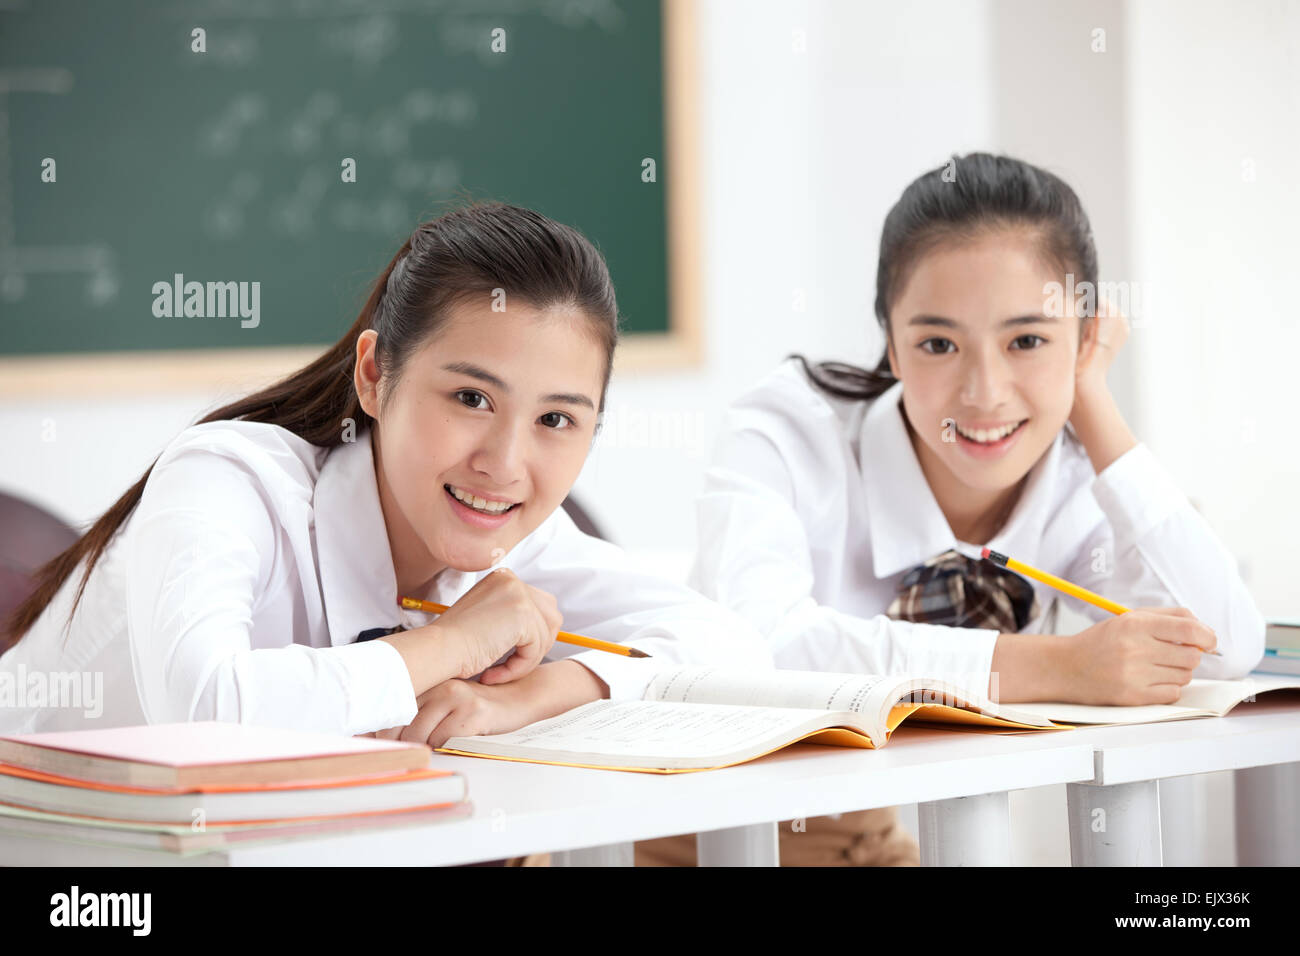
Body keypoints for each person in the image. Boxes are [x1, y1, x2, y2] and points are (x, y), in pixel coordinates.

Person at [635, 152, 1264, 867]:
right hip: (673, 833)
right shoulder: (788, 431)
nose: (985, 393)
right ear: (893, 347)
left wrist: (1093, 406)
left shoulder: (1073, 480)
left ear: (1085, 341)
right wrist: (1056, 667)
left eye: (1028, 340)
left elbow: (1226, 647)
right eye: (938, 343)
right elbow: (764, 649)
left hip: (858, 843)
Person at [0, 202, 772, 751]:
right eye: (471, 398)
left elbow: (733, 644)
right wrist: (455, 646)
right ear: (375, 376)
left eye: (557, 420)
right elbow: (206, 709)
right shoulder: (227, 479)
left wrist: (535, 697)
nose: (505, 463)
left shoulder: (507, 534)